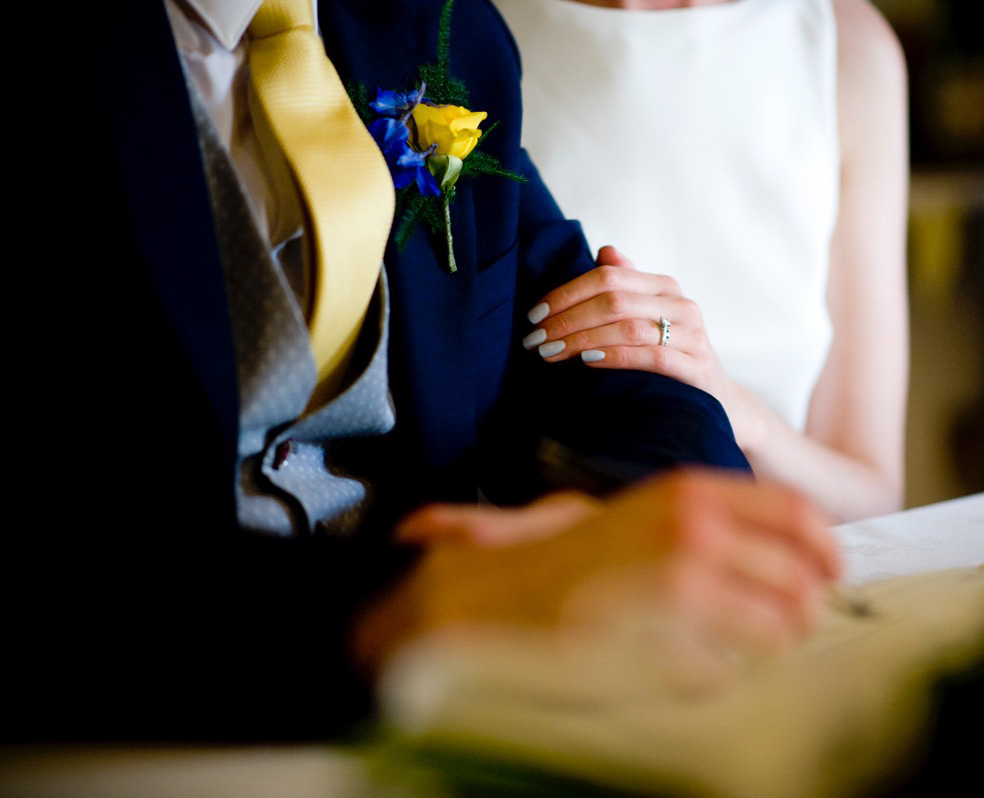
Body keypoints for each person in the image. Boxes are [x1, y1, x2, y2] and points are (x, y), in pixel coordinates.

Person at [3, 0, 840, 743]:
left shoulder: (442, 29)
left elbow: (604, 356)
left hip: (443, 722)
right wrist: (407, 601)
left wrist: (660, 521)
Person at [495, 0, 910, 521]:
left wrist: (734, 408)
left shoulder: (846, 44)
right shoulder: (455, 26)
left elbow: (874, 497)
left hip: (775, 561)